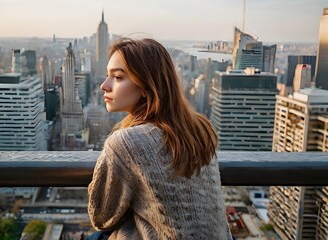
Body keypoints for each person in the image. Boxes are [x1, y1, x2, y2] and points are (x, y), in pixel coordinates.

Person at [87, 38, 232, 239]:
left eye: (118, 77)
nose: (104, 85)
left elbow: (101, 217)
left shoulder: (125, 142)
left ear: (146, 86)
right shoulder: (199, 129)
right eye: (107, 76)